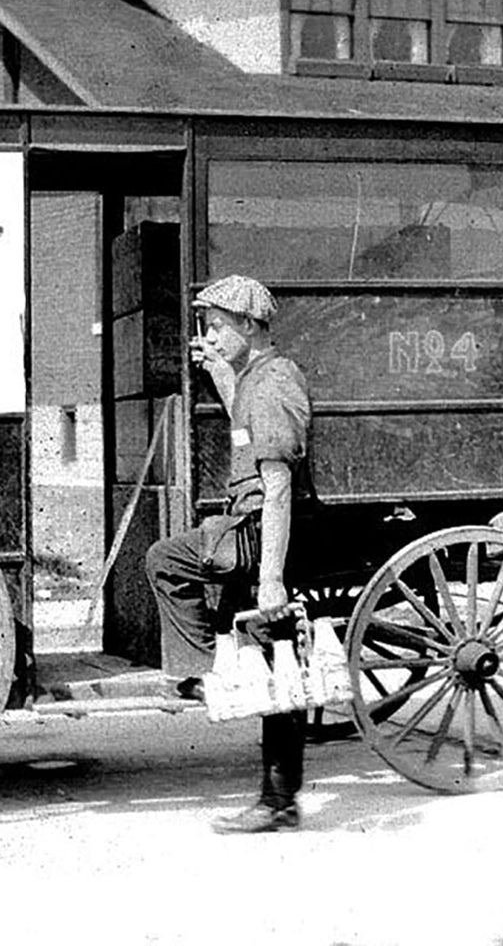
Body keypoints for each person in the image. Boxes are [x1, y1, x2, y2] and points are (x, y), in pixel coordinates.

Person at [144, 274, 314, 834]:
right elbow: (242, 416)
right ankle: (279, 801)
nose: (209, 337)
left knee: (166, 560)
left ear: (248, 325)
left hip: (261, 530)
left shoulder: (272, 385)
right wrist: (219, 368)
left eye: (217, 328)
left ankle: (203, 676)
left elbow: (279, 487)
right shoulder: (255, 380)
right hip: (250, 526)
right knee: (276, 663)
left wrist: (270, 579)